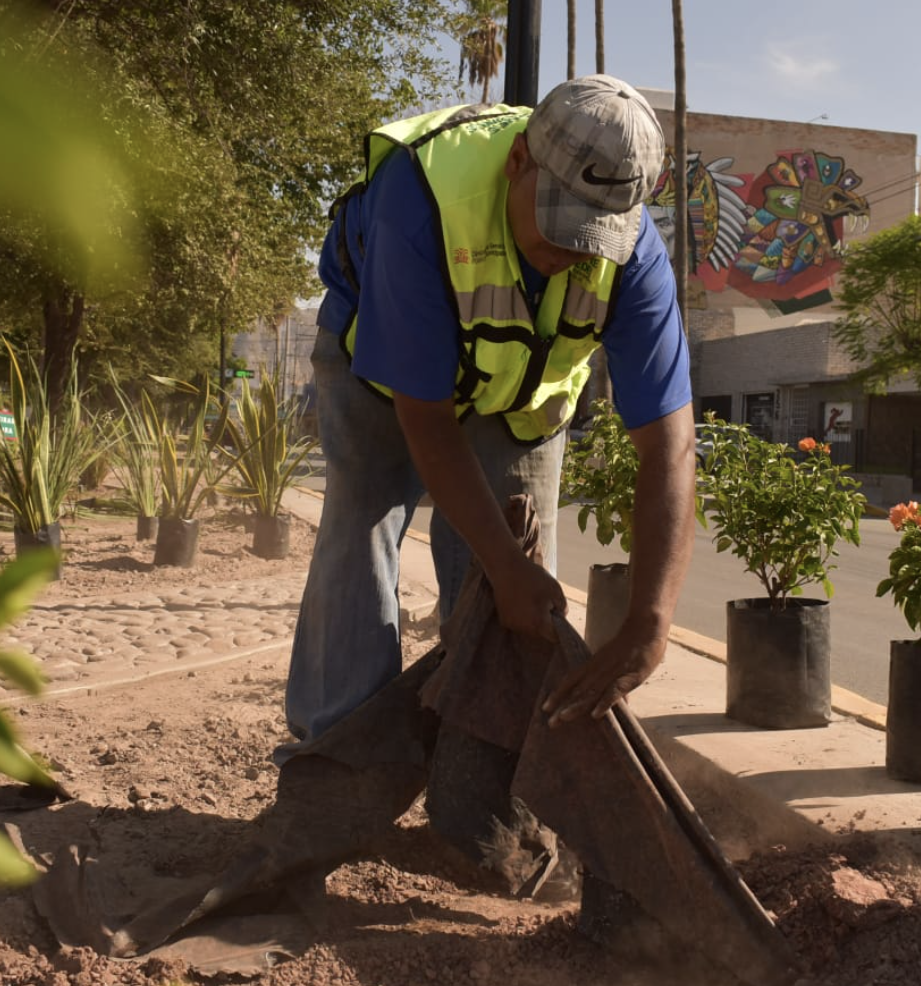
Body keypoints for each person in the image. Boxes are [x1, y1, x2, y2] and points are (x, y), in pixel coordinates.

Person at [283, 74, 696, 761]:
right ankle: (339, 758)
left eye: (597, 234)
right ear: (517, 163)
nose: (575, 250)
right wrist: (502, 566)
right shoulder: (420, 201)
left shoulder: (637, 259)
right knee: (361, 532)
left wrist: (650, 623)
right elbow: (427, 420)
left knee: (524, 595)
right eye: (562, 219)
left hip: (517, 397)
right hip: (381, 371)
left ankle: (486, 780)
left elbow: (670, 446)